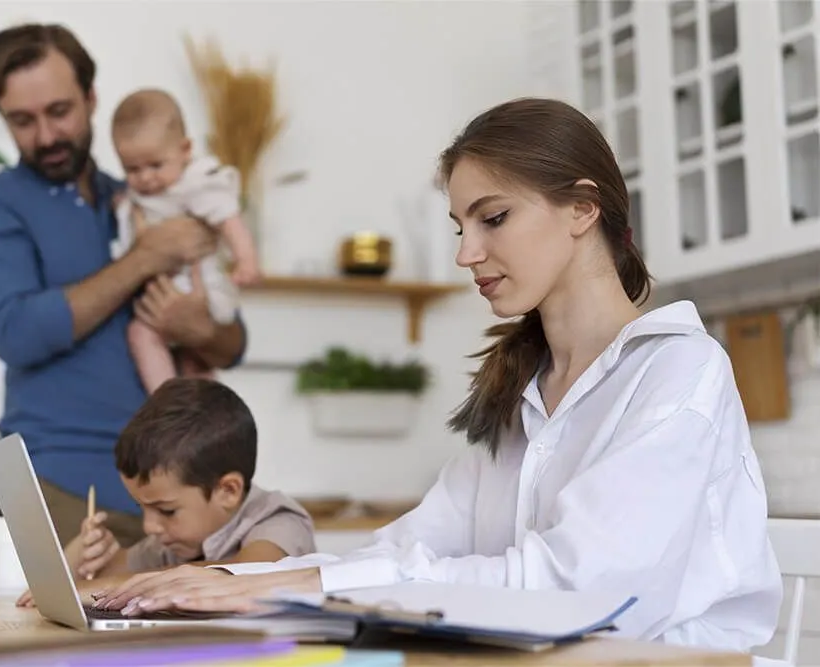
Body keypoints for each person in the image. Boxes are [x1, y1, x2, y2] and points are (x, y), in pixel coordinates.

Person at [89, 98, 784, 653]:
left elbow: (576, 589)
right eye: (459, 225)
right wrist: (220, 578)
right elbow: (408, 548)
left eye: (493, 218)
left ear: (582, 207)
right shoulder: (525, 390)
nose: (466, 252)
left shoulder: (677, 372)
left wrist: (296, 584)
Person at [0, 23, 247, 548]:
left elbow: (236, 341)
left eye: (59, 112)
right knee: (63, 631)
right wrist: (144, 258)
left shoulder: (142, 196)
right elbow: (17, 333)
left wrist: (199, 325)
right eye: (22, 121)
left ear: (91, 99)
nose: (45, 136)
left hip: (176, 491)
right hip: (59, 487)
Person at [17, 377, 315, 608]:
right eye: (142, 508)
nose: (149, 526)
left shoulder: (278, 520)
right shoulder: (171, 542)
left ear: (228, 491)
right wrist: (83, 552)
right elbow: (106, 574)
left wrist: (99, 589)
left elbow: (249, 571)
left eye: (166, 511)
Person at [110, 88, 261, 394]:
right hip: (167, 296)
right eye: (132, 169)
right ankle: (179, 407)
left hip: (198, 292)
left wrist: (246, 260)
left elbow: (229, 219)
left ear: (185, 149)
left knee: (161, 345)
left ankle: (175, 406)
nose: (146, 179)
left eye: (155, 166)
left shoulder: (196, 184)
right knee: (167, 350)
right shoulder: (141, 194)